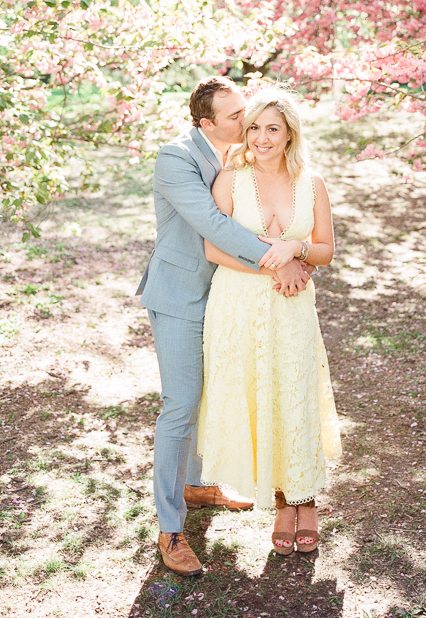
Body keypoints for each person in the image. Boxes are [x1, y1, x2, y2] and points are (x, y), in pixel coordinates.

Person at [136, 76, 311, 576]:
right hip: (180, 295)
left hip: (226, 297)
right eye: (237, 116)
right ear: (207, 123)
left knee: (209, 394)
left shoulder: (238, 157)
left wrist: (296, 245)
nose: (248, 120)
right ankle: (171, 528)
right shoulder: (176, 158)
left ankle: (196, 483)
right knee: (179, 404)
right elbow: (213, 225)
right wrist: (277, 259)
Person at [198, 87, 341, 555]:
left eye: (272, 129)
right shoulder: (231, 179)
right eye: (254, 126)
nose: (260, 137)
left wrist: (296, 251)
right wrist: (273, 263)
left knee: (295, 393)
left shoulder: (311, 182)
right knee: (261, 395)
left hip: (293, 305)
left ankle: (306, 498)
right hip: (239, 304)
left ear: (289, 135)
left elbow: (325, 250)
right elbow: (213, 249)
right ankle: (282, 501)